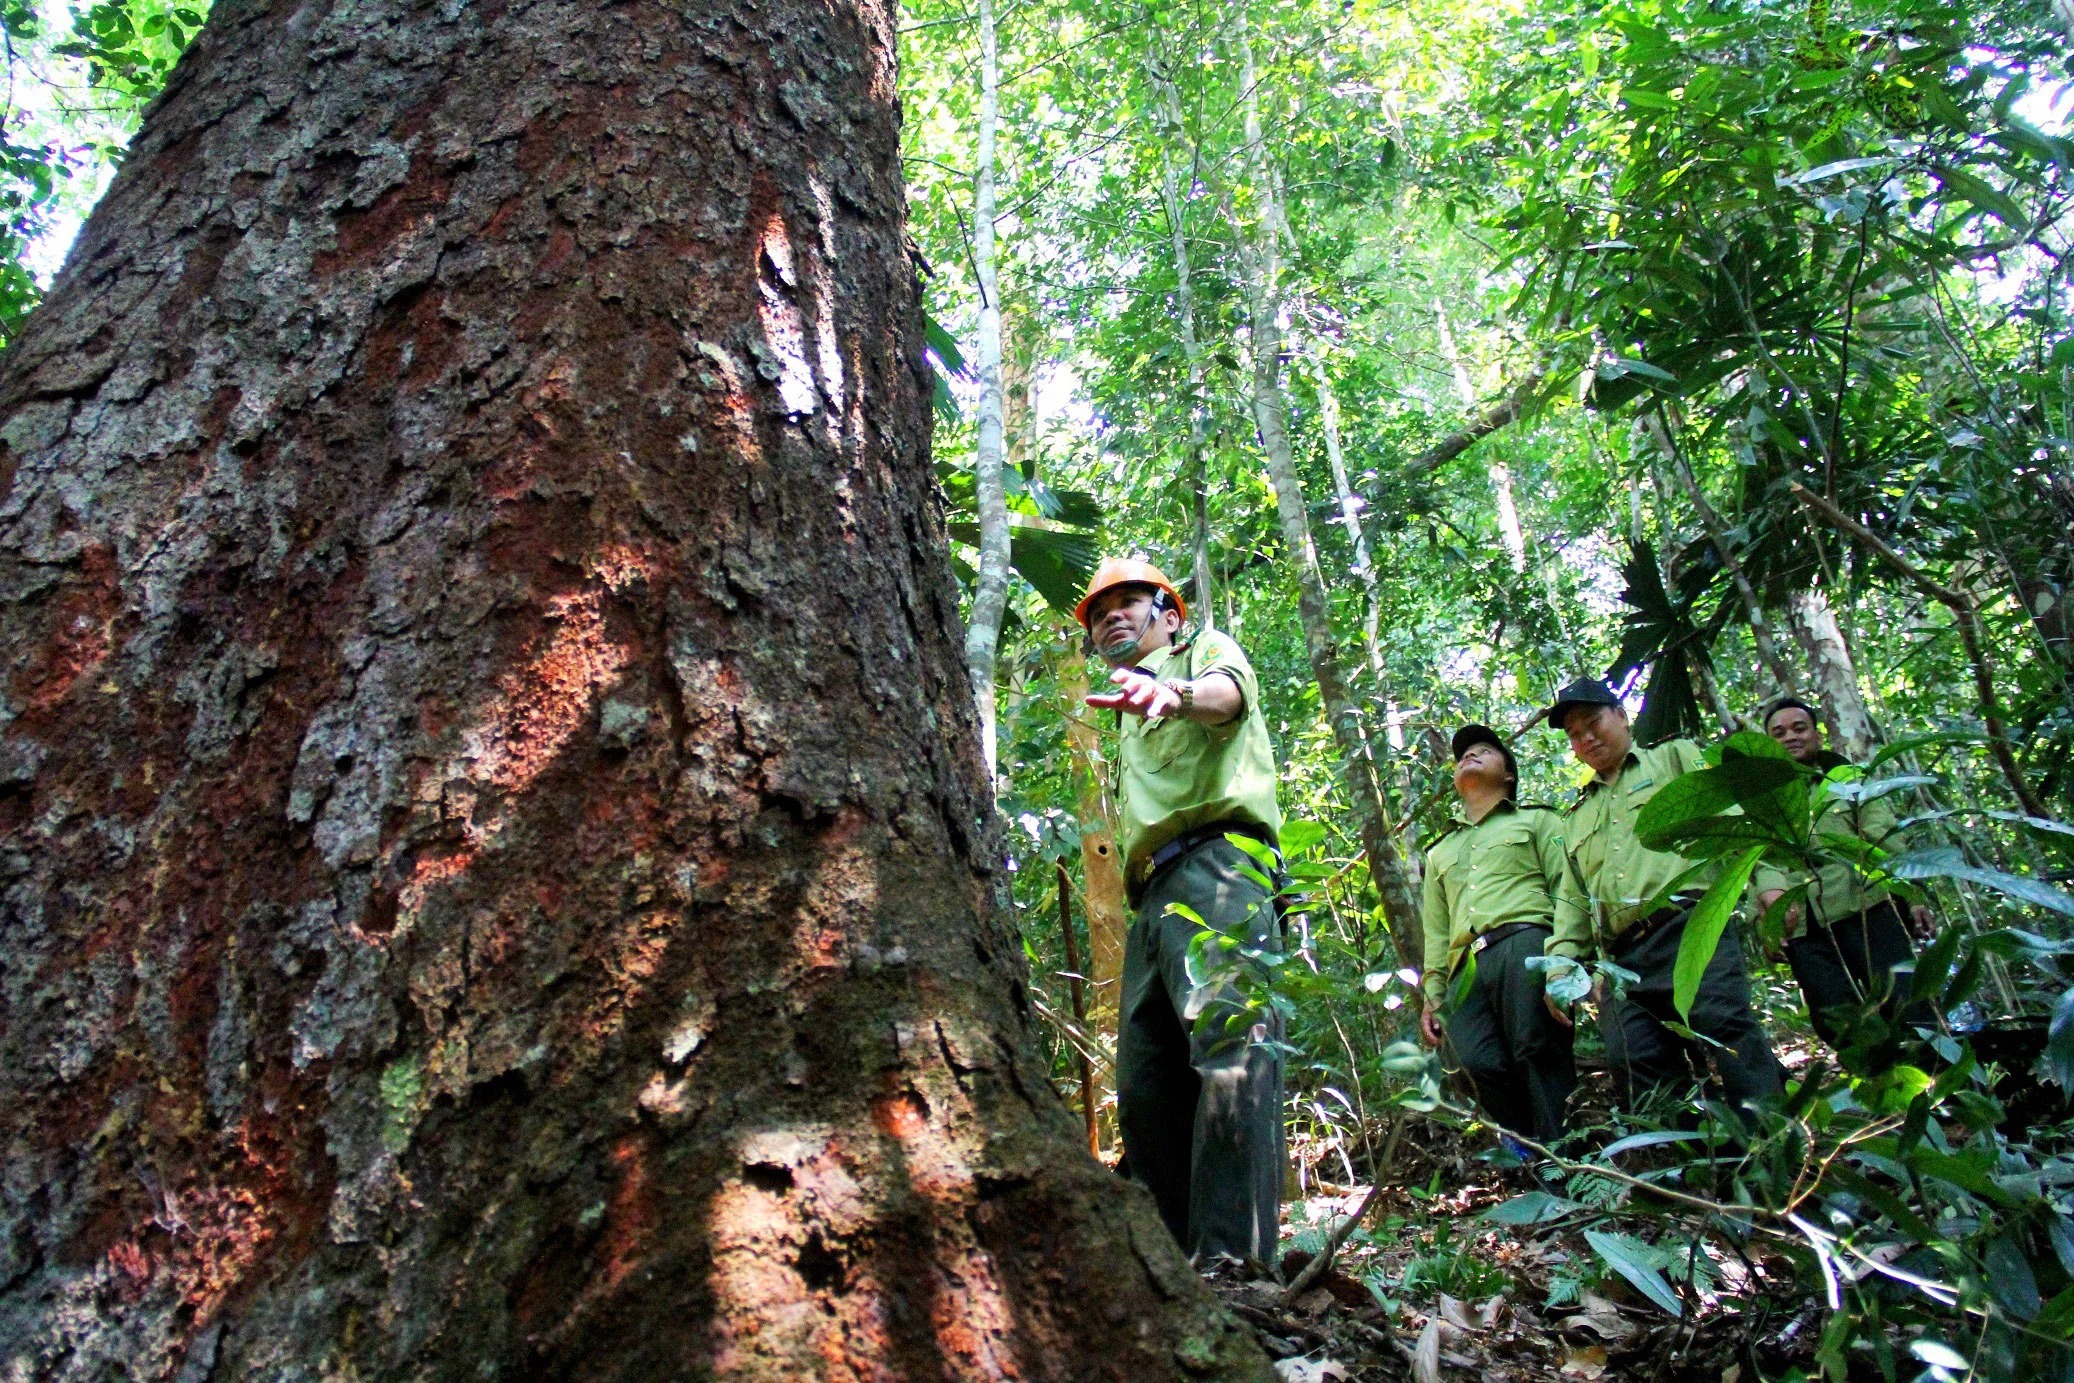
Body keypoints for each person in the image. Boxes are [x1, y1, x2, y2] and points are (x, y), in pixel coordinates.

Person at [1076, 556, 1285, 1264]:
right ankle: (1176, 1270)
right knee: (1143, 1088)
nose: (1111, 616)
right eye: (1099, 611)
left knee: (1231, 1051)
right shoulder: (1124, 709)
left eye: (1128, 602)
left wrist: (1177, 694)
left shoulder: (1203, 652)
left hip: (1219, 865)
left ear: (1169, 612)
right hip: (1152, 896)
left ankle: (1236, 1262)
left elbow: (1226, 696)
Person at [1540, 678, 1783, 1111]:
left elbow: (1733, 820)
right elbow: (1572, 904)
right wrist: (1560, 970)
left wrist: (1768, 881)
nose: (1586, 738)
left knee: (1726, 1030)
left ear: (1622, 716)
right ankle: (1696, 1167)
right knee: (1634, 1059)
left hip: (1688, 926)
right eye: (1574, 734)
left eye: (1594, 723)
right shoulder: (1576, 817)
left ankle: (1775, 1157)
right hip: (1621, 960)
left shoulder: (1674, 758)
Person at [1418, 725, 1578, 1144]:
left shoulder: (1538, 821)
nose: (1469, 756)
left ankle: (1565, 1164)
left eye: (1484, 750)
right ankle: (1535, 1151)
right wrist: (1432, 994)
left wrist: (1563, 959)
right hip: (1464, 968)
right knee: (1474, 1061)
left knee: (1536, 1049)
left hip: (1525, 942)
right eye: (1463, 755)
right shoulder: (1439, 853)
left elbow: (1568, 889)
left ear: (1509, 774)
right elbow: (1435, 931)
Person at [1754, 696, 1935, 1046]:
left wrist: (1912, 897)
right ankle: (1879, 1094)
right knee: (1838, 1023)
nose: (1789, 737)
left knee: (1908, 1008)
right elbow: (1760, 862)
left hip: (1869, 914)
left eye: (1799, 728)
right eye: (1778, 733)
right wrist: (1767, 924)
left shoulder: (1847, 780)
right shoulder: (1766, 800)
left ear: (1817, 736)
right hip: (1807, 932)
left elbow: (1884, 840)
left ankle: (1942, 1088)